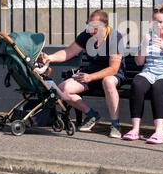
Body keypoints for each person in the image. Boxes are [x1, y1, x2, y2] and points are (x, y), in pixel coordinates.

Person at [42, 10, 126, 139]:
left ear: (104, 25)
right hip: (91, 72)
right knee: (62, 89)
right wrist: (50, 57)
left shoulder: (115, 37)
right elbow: (69, 52)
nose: (89, 28)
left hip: (111, 74)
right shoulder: (86, 35)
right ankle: (91, 114)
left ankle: (115, 124)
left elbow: (113, 69)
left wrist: (90, 77)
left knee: (108, 81)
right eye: (88, 24)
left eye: (93, 25)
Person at [122, 4, 163, 144]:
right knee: (137, 84)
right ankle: (135, 129)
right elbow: (139, 63)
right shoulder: (149, 37)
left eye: (161, 21)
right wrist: (144, 45)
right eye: (155, 21)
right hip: (149, 72)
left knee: (158, 87)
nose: (158, 25)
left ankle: (159, 132)